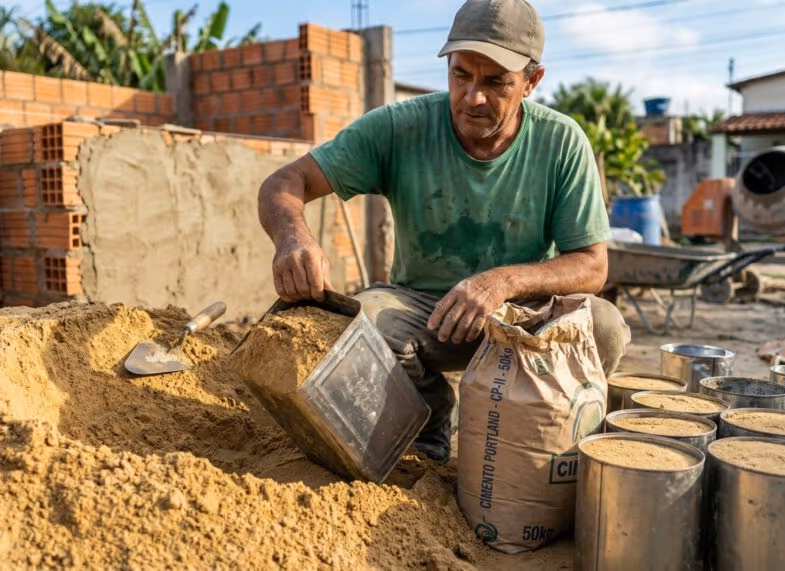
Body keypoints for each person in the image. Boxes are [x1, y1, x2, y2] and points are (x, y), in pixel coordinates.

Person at [257, 0, 630, 461]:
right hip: (426, 314)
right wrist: (294, 237)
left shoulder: (561, 141)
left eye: (495, 82)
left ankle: (539, 433)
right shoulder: (400, 127)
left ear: (532, 82)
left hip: (523, 317)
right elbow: (283, 183)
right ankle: (427, 423)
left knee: (605, 328)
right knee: (358, 327)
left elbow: (592, 265)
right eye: (460, 75)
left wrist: (502, 283)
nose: (473, 96)